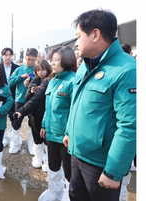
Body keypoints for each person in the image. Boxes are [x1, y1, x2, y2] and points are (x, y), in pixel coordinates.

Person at [63, 9, 136, 201]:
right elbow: (77, 104)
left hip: (100, 165)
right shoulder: (85, 66)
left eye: (78, 36)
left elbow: (130, 126)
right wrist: (70, 133)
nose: (76, 43)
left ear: (95, 34)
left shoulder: (127, 70)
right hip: (77, 155)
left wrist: (113, 171)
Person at [38, 46, 77, 200]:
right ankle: (54, 192)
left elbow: (75, 111)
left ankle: (68, 196)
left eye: (56, 59)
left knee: (69, 171)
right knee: (53, 166)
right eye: (52, 59)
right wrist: (43, 125)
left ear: (66, 60)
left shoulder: (73, 80)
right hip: (51, 132)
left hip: (65, 136)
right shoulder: (53, 81)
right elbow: (48, 107)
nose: (52, 63)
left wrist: (69, 133)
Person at [15, 59, 52, 169]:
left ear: (48, 70)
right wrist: (31, 91)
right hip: (35, 113)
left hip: (47, 114)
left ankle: (47, 160)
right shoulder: (34, 81)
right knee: (37, 136)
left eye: (43, 70)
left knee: (47, 139)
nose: (40, 72)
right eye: (38, 70)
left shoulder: (52, 80)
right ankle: (38, 158)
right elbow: (27, 98)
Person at [8, 48, 38, 154]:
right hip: (19, 100)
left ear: (36, 59)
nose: (30, 62)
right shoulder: (19, 69)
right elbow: (10, 82)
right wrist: (20, 77)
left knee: (33, 124)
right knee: (16, 122)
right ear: (25, 57)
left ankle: (32, 145)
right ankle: (16, 143)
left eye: (33, 60)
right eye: (29, 59)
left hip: (33, 100)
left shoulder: (38, 69)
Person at [0, 47, 20, 147]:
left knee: (13, 117)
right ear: (2, 56)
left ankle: (14, 139)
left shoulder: (17, 68)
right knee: (2, 116)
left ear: (12, 56)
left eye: (10, 55)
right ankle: (4, 138)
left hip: (13, 96)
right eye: (6, 55)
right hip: (1, 96)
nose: (8, 57)